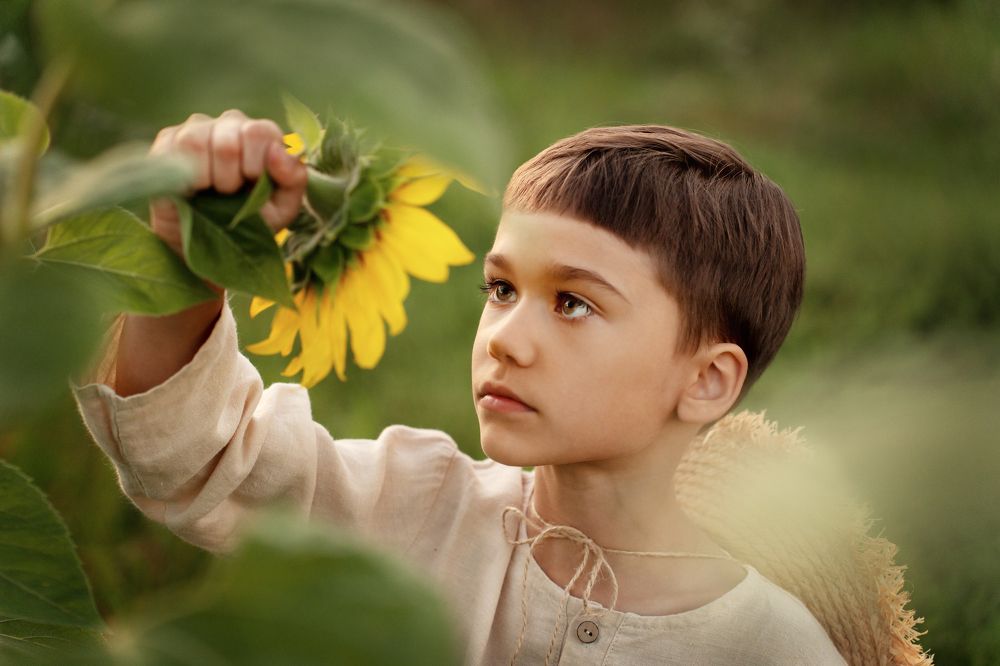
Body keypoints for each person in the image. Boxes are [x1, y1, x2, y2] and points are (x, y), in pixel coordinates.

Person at [73, 109, 850, 664]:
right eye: (501, 289)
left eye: (573, 303)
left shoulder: (770, 646)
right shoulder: (410, 508)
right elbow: (197, 458)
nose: (506, 338)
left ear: (708, 380)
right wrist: (192, 259)